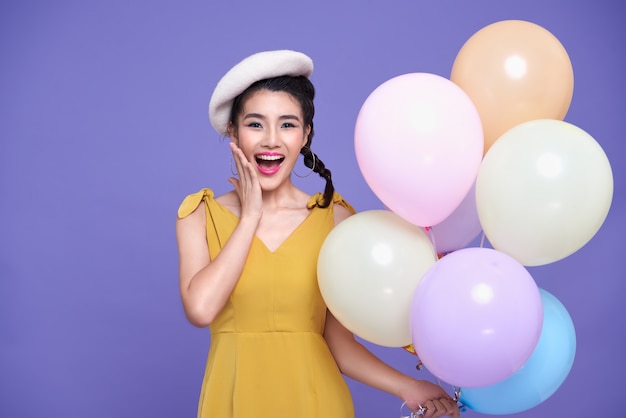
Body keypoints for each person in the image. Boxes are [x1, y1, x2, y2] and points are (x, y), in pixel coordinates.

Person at [175, 50, 460, 418]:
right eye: (256, 124)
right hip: (231, 401)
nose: (271, 140)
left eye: (288, 124)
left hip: (316, 401)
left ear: (306, 134)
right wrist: (250, 218)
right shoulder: (199, 213)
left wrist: (408, 387)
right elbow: (201, 309)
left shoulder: (334, 218)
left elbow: (337, 343)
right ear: (233, 130)